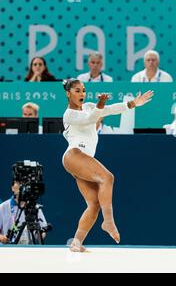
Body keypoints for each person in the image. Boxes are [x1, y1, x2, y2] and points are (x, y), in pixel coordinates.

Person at [61, 79, 153, 252]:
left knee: (94, 204)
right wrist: (101, 104)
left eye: (83, 90)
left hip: (82, 159)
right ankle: (109, 222)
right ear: (68, 93)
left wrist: (133, 103)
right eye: (77, 91)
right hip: (74, 155)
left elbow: (109, 110)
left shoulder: (89, 106)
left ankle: (76, 242)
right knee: (107, 177)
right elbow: (91, 118)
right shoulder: (69, 115)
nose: (82, 94)